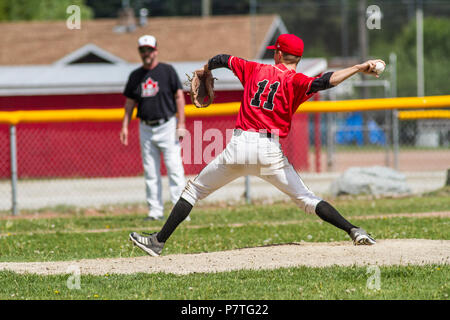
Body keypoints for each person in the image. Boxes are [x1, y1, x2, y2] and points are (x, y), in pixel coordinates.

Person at [129, 33, 383, 256]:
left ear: (279, 54)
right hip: (269, 151)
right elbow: (327, 80)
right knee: (306, 199)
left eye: (276, 51)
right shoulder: (297, 81)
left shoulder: (254, 69)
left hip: (239, 146)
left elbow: (222, 58)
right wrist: (359, 67)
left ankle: (158, 242)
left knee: (194, 191)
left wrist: (207, 69)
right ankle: (354, 231)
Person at [120, 35, 190, 222]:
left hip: (167, 125)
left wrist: (181, 123)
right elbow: (129, 103)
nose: (146, 53)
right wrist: (125, 125)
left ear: (156, 50)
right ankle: (155, 211)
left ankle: (180, 212)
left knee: (175, 169)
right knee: (151, 172)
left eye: (149, 49)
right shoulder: (136, 76)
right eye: (143, 50)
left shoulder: (167, 71)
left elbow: (179, 97)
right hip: (146, 127)